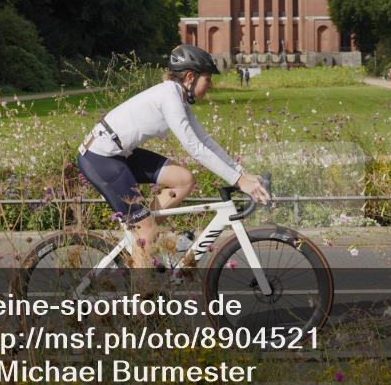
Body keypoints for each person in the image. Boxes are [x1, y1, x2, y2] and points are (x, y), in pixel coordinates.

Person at [76, 44, 271, 271]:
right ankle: (141, 299)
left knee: (183, 179)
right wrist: (238, 181)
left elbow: (205, 141)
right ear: (190, 77)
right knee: (146, 231)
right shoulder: (169, 96)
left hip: (118, 153)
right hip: (100, 158)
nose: (211, 86)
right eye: (208, 79)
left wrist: (241, 174)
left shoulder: (178, 95)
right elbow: (194, 147)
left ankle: (143, 238)